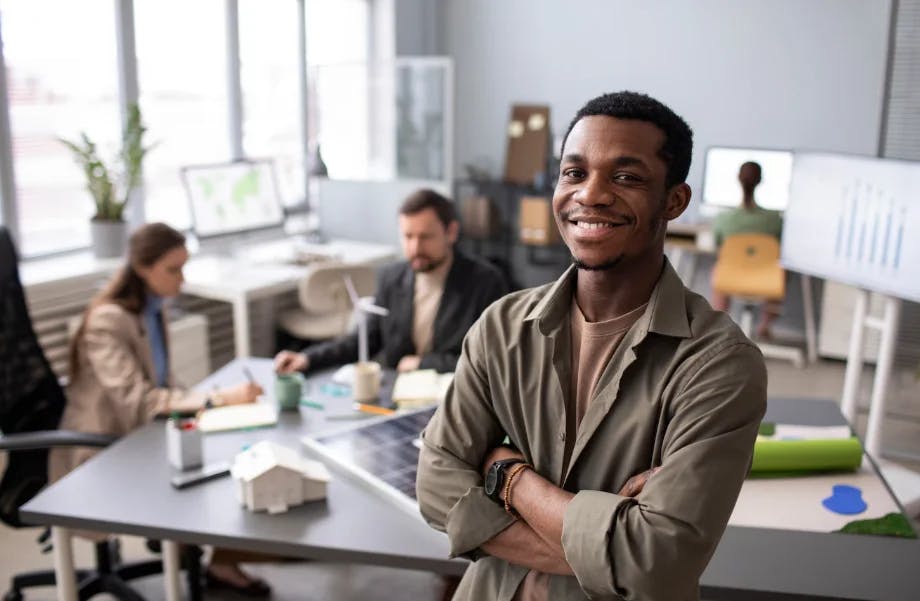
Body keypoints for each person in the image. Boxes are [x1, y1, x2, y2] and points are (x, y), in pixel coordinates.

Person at [416, 91, 767, 600]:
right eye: (574, 173)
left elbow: (655, 561)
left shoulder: (717, 364)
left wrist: (507, 476)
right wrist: (609, 547)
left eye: (625, 177)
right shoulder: (502, 327)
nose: (591, 194)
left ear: (674, 200)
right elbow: (435, 486)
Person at [48, 223, 272, 596]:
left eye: (184, 267)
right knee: (212, 468)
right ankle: (202, 554)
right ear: (142, 267)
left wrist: (211, 398)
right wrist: (218, 399)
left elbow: (163, 381)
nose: (181, 280)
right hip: (103, 449)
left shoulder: (152, 308)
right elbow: (139, 400)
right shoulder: (108, 320)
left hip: (139, 433)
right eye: (173, 269)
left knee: (236, 449)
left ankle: (217, 558)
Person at [275, 188, 508, 375]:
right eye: (408, 236)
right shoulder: (391, 278)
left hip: (456, 398)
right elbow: (363, 341)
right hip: (398, 398)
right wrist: (307, 358)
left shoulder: (485, 282)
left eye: (425, 237)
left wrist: (424, 364)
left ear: (451, 233)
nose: (415, 248)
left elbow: (491, 360)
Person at [710, 161, 784, 338]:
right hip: (767, 280)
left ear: (738, 179)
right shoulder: (775, 220)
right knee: (781, 269)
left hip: (731, 278)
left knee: (721, 266)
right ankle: (766, 324)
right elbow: (780, 249)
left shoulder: (723, 219)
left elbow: (718, 246)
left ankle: (719, 324)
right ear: (760, 181)